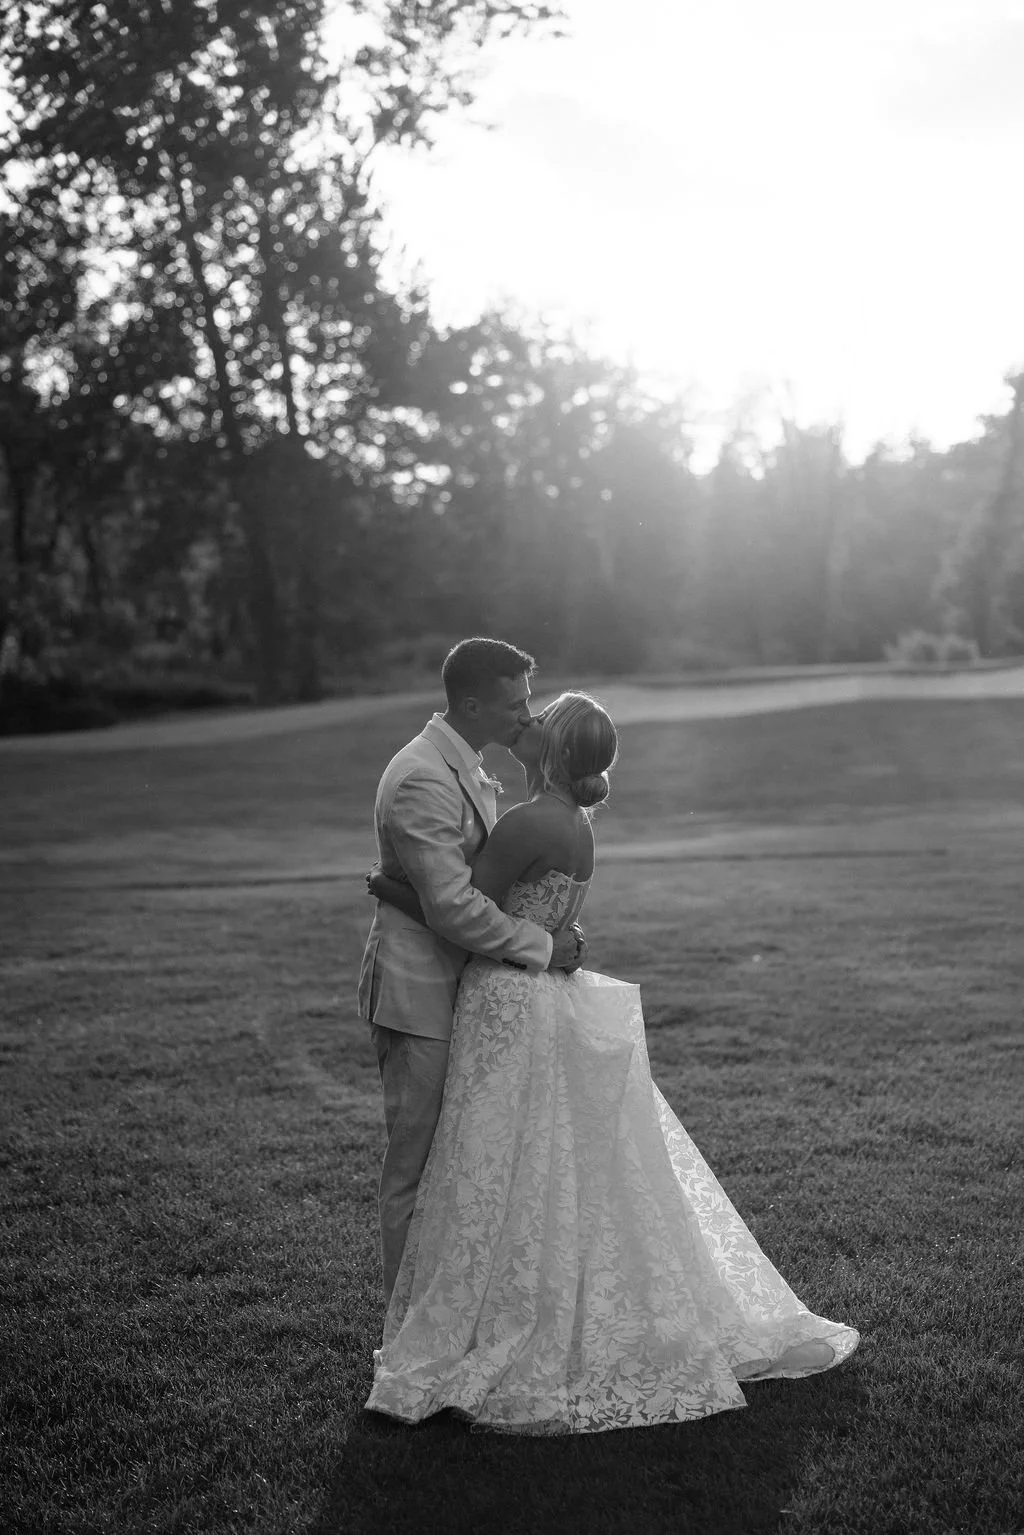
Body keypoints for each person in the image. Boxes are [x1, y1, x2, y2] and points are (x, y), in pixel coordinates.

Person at [364, 691, 859, 1434]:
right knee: (539, 1160)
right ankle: (511, 1298)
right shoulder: (575, 823)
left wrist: (390, 885)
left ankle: (487, 1320)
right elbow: (531, 910)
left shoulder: (532, 820)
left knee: (498, 1161)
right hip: (540, 997)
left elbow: (465, 914)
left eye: (537, 722)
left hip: (508, 1000)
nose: (524, 727)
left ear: (554, 749)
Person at [358, 638, 585, 1305]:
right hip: (416, 993)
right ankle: (403, 1343)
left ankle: (450, 1316)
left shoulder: (471, 763)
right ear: (473, 702)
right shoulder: (421, 775)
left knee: (460, 1164)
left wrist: (528, 752)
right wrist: (543, 945)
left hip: (466, 990)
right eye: (515, 703)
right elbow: (455, 905)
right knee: (415, 1170)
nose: (527, 714)